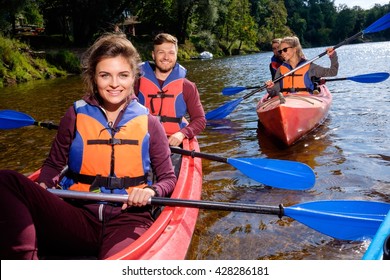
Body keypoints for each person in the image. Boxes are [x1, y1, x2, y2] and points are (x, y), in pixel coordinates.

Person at [0, 33, 176, 260]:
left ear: (134, 78)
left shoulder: (150, 122)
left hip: (128, 218)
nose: (114, 84)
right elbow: (54, 163)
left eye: (123, 75)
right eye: (105, 75)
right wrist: (44, 185)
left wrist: (151, 191)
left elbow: (168, 179)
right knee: (6, 180)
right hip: (79, 214)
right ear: (94, 77)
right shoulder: (74, 114)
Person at [135, 33, 206, 147]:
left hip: (173, 143)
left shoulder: (187, 86)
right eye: (161, 52)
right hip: (143, 139)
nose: (166, 57)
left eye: (171, 53)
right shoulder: (136, 83)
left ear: (176, 55)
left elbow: (200, 120)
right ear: (153, 55)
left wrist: (182, 134)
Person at [264, 36, 338, 99]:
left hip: (306, 99)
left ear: (295, 49)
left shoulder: (309, 66)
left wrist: (333, 56)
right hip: (287, 100)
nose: (282, 53)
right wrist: (270, 88)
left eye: (285, 50)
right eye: (280, 51)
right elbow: (274, 93)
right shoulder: (281, 69)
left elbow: (333, 72)